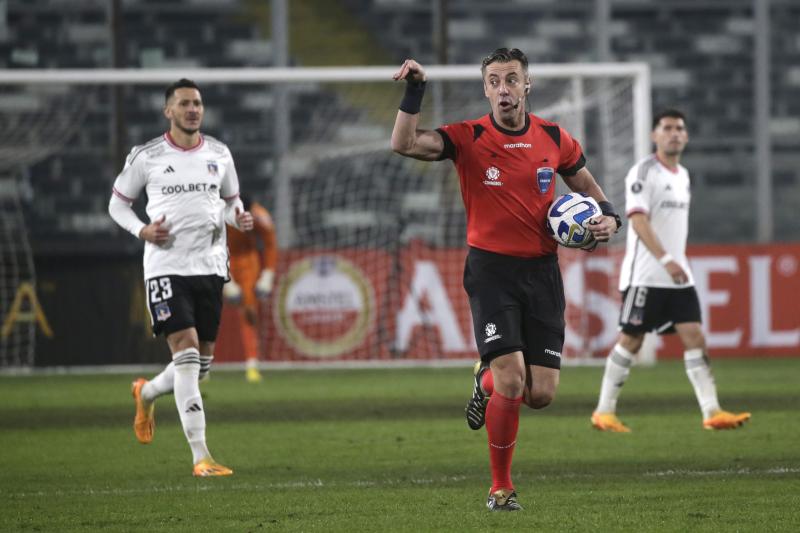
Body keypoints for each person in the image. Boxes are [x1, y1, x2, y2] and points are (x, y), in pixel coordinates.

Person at [390, 48, 621, 511]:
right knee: (514, 380)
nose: (503, 89)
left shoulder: (554, 137)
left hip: (542, 272)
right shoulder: (469, 136)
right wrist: (416, 91)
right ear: (485, 89)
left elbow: (590, 191)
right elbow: (404, 144)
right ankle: (500, 488)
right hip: (491, 271)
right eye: (494, 80)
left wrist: (609, 219)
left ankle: (485, 380)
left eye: (511, 79)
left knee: (541, 395)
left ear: (527, 85)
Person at [108, 78, 254, 477]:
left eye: (198, 103)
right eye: (185, 103)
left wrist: (237, 217)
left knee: (200, 366)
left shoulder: (220, 154)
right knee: (186, 352)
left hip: (210, 267)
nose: (193, 109)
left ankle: (147, 391)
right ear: (168, 111)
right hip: (166, 266)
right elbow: (117, 205)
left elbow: (229, 203)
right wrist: (142, 230)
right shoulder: (147, 156)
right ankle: (200, 456)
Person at [590, 109, 750, 433]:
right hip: (646, 275)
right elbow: (637, 220)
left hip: (678, 276)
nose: (674, 133)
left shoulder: (683, 175)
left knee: (694, 336)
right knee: (631, 340)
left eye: (679, 128)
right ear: (655, 136)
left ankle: (712, 411)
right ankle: (604, 412)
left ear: (686, 136)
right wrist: (666, 260)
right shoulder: (644, 172)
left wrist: (676, 263)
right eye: (667, 128)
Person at [223, 195, 278, 382]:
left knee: (249, 311)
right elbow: (208, 245)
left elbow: (270, 243)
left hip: (248, 261)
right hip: (221, 259)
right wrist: (226, 280)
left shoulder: (260, 215)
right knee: (206, 310)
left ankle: (252, 365)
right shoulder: (217, 213)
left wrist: (268, 274)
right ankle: (199, 365)